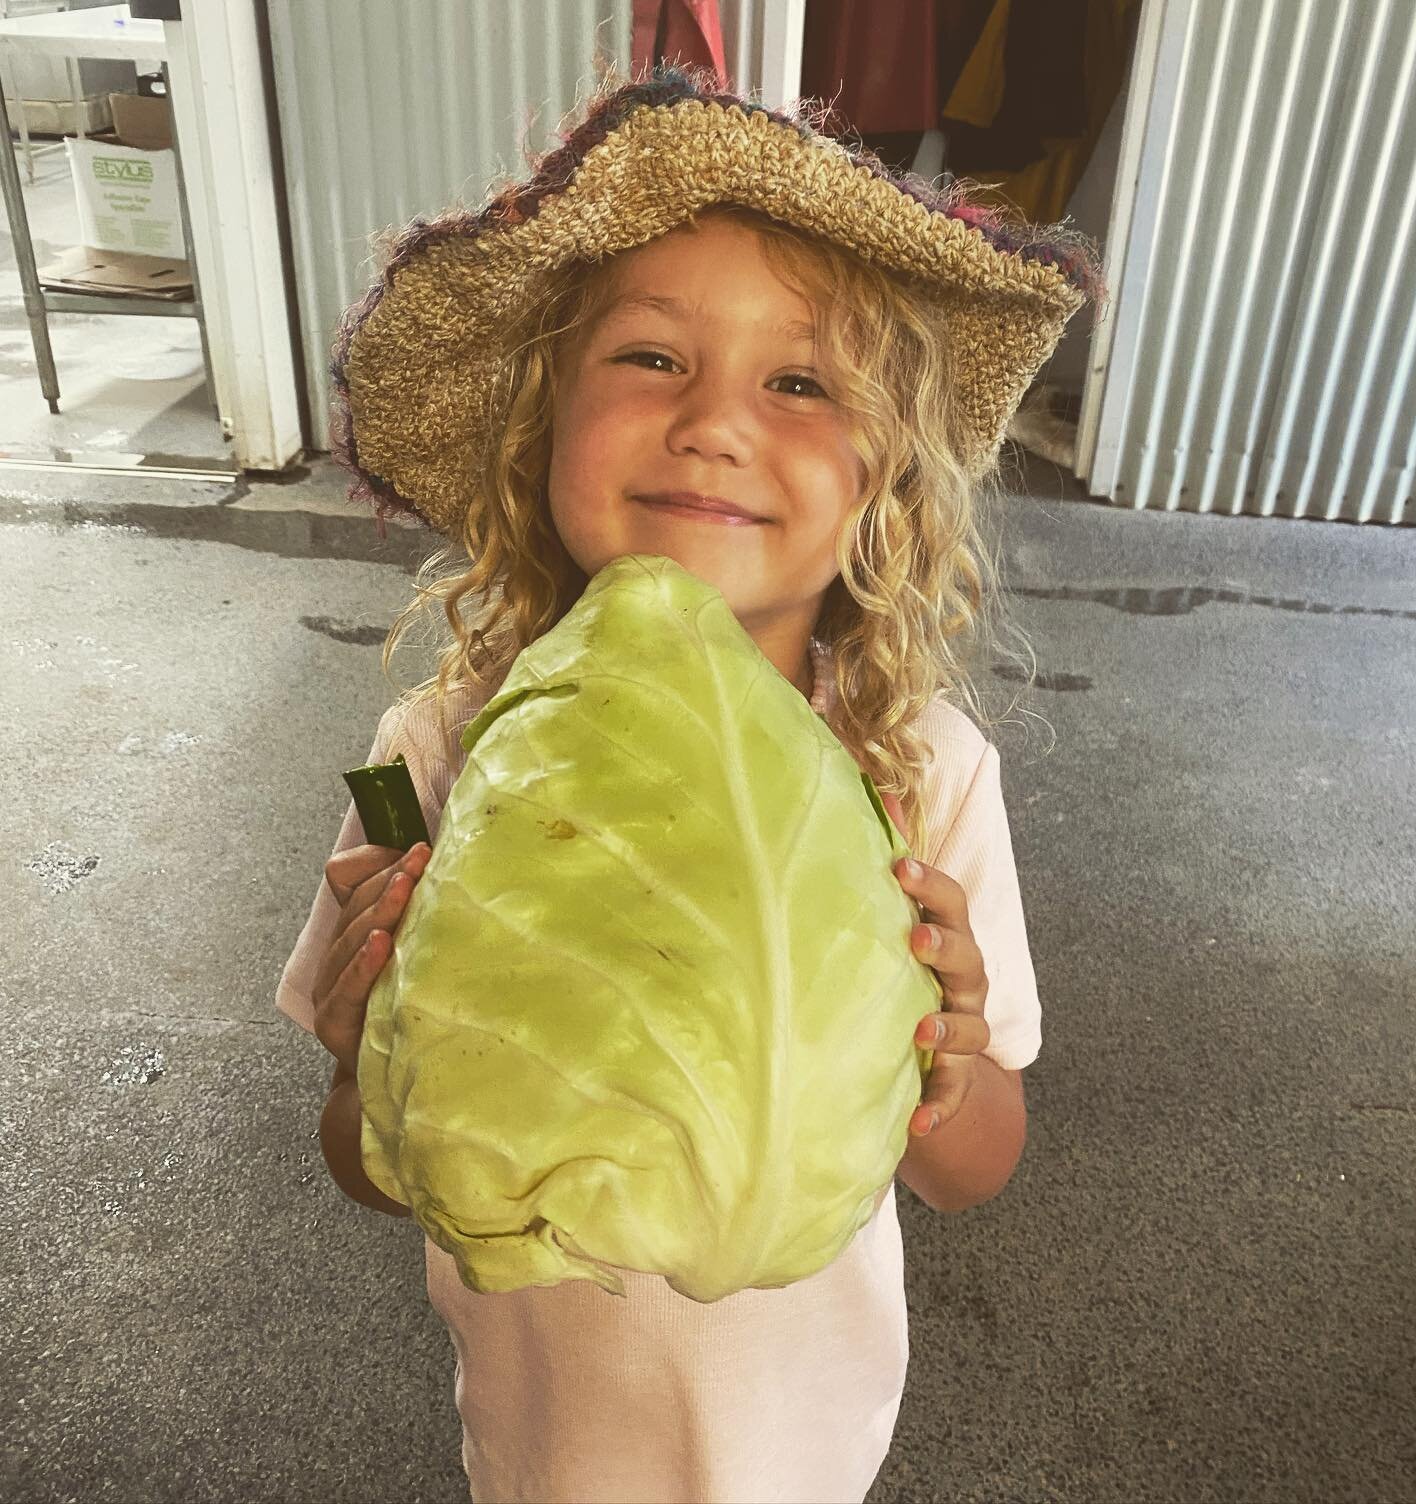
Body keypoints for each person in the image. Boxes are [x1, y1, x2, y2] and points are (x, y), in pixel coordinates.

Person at [275, 64, 1105, 1504]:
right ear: (542, 425)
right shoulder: (419, 755)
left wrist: (949, 1061)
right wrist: (363, 1056)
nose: (717, 422)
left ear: (884, 480)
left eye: (801, 382)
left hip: (808, 1452)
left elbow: (978, 1169)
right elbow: (362, 1159)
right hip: (537, 1450)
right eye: (651, 359)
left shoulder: (926, 774)